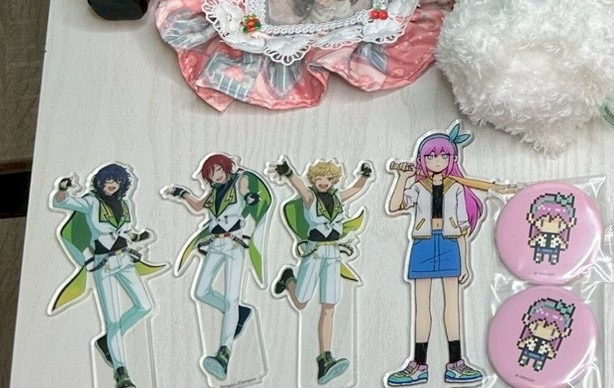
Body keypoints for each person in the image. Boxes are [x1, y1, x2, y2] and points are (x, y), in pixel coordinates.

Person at [385, 126, 515, 385]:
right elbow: (394, 205)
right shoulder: (418, 187)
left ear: (452, 159)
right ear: (423, 159)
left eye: (443, 156)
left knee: (452, 306)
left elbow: (462, 227)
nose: (437, 161)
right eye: (431, 156)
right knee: (421, 307)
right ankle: (418, 364)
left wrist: (465, 262)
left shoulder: (455, 187)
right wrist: (402, 178)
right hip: (423, 244)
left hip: (449, 244)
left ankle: (456, 363)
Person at [50, 165, 165, 388]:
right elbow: (62, 202)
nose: (112, 184)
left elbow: (126, 231)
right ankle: (122, 374)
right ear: (100, 182)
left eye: (117, 181)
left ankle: (108, 340)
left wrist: (140, 236)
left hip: (125, 260)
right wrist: (63, 188)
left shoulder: (124, 203)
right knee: (112, 319)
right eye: (108, 180)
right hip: (104, 264)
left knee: (145, 306)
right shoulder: (91, 202)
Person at [164, 154, 272, 381]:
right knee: (201, 291)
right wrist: (181, 194)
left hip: (234, 243)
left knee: (231, 298)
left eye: (219, 170)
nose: (216, 176)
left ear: (226, 168)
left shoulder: (239, 180)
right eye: (211, 173)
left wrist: (250, 197)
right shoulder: (213, 191)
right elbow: (197, 206)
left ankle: (224, 353)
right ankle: (240, 313)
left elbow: (246, 191)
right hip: (215, 244)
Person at [271, 157, 374, 385]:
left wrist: (365, 175)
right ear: (314, 180)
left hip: (333, 254)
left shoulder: (337, 197)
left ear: (333, 179)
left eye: (328, 178)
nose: (323, 182)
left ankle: (326, 357)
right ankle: (288, 278)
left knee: (329, 306)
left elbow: (356, 189)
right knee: (301, 301)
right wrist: (288, 172)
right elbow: (298, 186)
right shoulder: (310, 198)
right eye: (319, 178)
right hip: (315, 252)